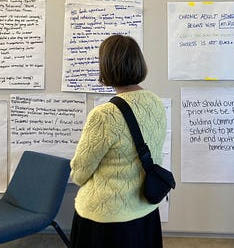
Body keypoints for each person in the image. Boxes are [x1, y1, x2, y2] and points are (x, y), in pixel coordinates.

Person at [69, 34, 167, 248]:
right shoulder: (157, 103)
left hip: (107, 219)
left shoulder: (105, 115)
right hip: (146, 208)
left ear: (106, 67)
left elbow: (79, 174)